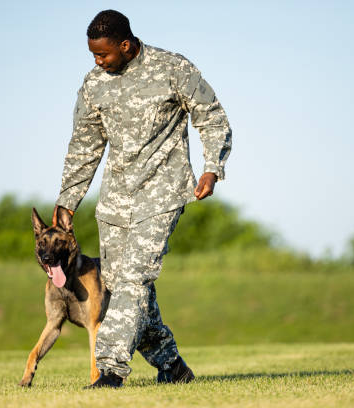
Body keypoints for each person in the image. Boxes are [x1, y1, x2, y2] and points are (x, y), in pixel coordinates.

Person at [55, 9, 232, 388]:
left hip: (162, 193)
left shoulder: (172, 68)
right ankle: (172, 366)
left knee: (135, 279)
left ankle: (111, 370)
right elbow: (84, 146)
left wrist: (212, 168)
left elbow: (212, 117)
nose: (98, 62)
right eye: (93, 56)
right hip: (116, 201)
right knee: (121, 288)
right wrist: (68, 198)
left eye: (103, 55)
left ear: (125, 44)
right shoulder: (93, 85)